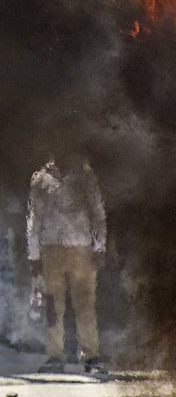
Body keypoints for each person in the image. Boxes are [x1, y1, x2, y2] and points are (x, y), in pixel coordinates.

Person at [27, 154, 107, 375]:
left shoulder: (85, 176)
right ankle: (55, 356)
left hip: (81, 248)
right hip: (51, 249)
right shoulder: (41, 178)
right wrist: (33, 255)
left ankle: (91, 357)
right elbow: (34, 219)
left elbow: (97, 212)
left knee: (85, 306)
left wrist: (99, 247)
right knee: (53, 307)